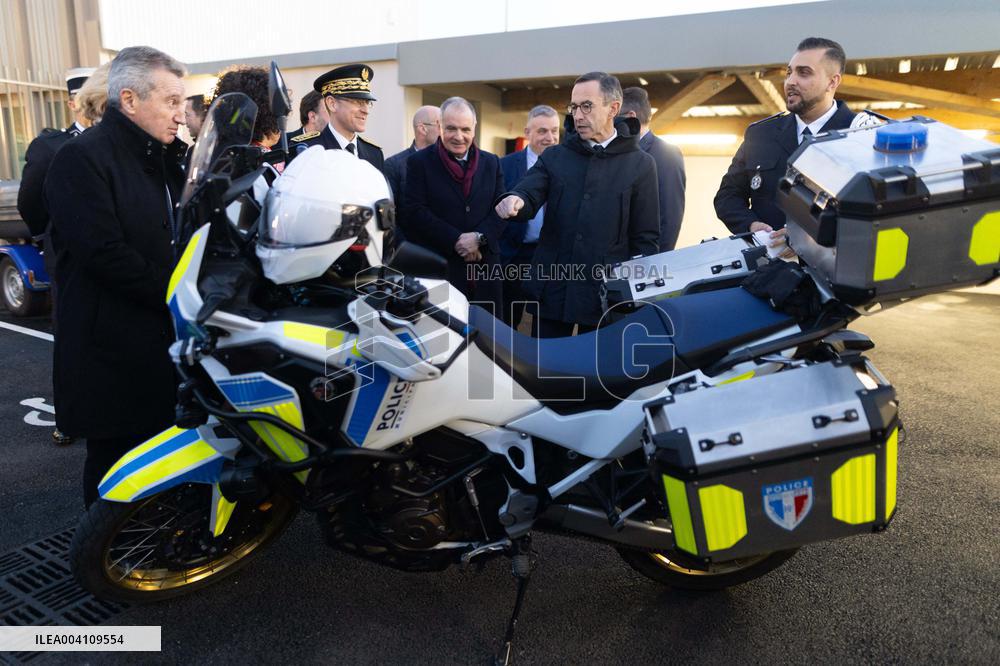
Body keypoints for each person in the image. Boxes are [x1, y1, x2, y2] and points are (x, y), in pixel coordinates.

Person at [45, 46, 188, 506]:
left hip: (159, 345)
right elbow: (104, 253)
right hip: (110, 353)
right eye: (171, 101)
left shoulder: (165, 157)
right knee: (116, 472)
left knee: (162, 461)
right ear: (129, 100)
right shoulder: (81, 157)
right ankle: (109, 570)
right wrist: (181, 293)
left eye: (182, 103)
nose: (181, 115)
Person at [494, 72, 658, 338]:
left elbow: (646, 238)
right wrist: (516, 200)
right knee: (543, 371)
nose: (577, 115)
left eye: (587, 106)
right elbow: (530, 189)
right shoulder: (556, 156)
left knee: (591, 373)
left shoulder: (640, 165)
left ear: (612, 108)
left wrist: (635, 293)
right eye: (574, 106)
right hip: (552, 292)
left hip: (604, 298)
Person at [714, 37, 855, 255]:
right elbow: (727, 197)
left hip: (835, 275)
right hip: (770, 275)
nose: (790, 81)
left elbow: (872, 214)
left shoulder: (859, 136)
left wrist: (805, 239)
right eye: (789, 73)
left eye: (804, 73)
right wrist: (751, 226)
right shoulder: (761, 134)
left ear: (832, 82)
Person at [401, 97, 506, 312]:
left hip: (484, 269)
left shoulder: (492, 162)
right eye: (451, 128)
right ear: (440, 126)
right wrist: (457, 240)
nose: (459, 136)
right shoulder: (419, 163)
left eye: (465, 129)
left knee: (489, 340)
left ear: (474, 129)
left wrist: (479, 238)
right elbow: (413, 212)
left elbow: (501, 210)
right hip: (440, 269)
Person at [498, 104, 559, 331]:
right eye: (542, 131)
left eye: (555, 131)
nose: (550, 137)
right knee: (508, 321)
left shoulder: (568, 167)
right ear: (527, 133)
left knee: (544, 324)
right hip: (513, 256)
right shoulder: (504, 165)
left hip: (549, 257)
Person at [17, 67, 95, 239]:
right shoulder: (50, 146)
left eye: (98, 99)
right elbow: (30, 202)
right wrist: (50, 239)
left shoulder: (121, 141)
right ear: (72, 104)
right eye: (87, 100)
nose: (94, 106)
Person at [621, 86, 686, 252]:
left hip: (646, 263)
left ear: (630, 117)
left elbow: (670, 217)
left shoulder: (666, 154)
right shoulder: (619, 152)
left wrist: (654, 263)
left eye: (613, 118)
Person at [292, 63, 383, 172]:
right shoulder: (306, 149)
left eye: (367, 103)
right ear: (332, 104)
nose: (366, 110)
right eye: (357, 102)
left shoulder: (374, 153)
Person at [383, 105, 441, 201]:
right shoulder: (394, 165)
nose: (446, 132)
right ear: (422, 129)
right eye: (441, 126)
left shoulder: (451, 162)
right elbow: (391, 209)